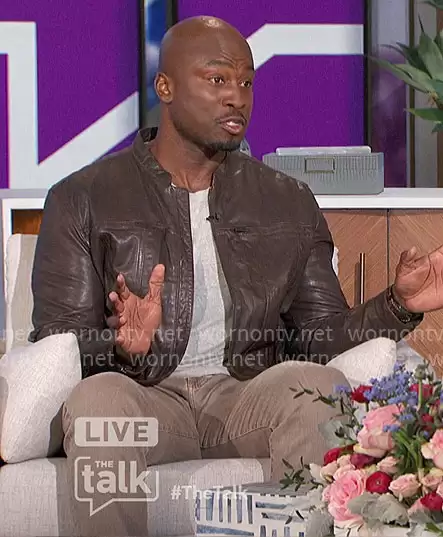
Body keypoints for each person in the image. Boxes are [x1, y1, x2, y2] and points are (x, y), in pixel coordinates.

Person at [29, 15, 443, 537]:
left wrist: (398, 305)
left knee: (316, 386)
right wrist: (124, 348)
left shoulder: (287, 200)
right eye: (217, 79)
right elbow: (56, 340)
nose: (236, 98)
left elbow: (321, 337)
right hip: (143, 396)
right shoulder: (83, 196)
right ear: (166, 87)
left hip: (243, 394)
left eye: (246, 82)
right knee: (98, 403)